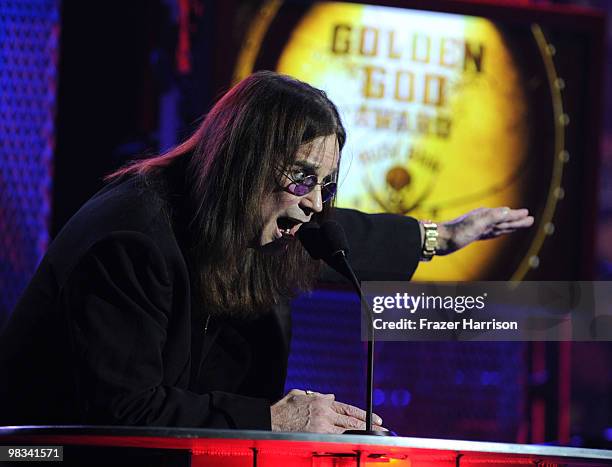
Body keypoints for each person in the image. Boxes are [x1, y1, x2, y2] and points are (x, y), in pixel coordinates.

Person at [0, 71, 533, 432]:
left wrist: (442, 237)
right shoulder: (133, 241)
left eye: (326, 184)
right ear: (245, 163)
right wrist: (276, 420)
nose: (314, 205)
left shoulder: (245, 212)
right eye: (302, 178)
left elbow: (342, 237)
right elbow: (122, 409)